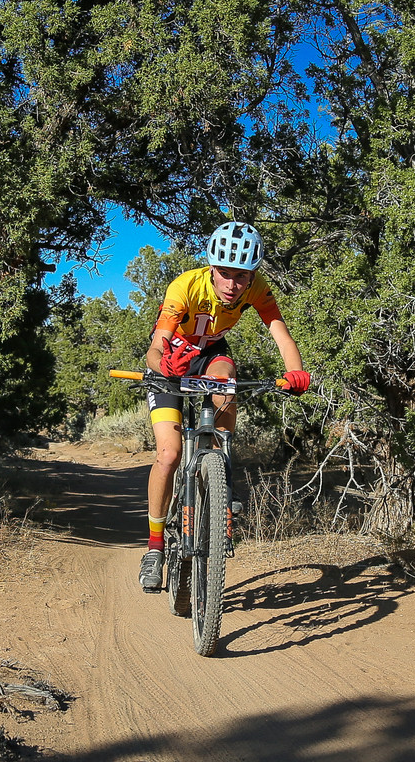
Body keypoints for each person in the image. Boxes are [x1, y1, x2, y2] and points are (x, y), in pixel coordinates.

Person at [137, 221, 309, 591]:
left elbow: (280, 331)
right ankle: (154, 547)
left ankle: (218, 475)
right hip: (172, 358)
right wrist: (163, 365)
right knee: (169, 454)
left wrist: (295, 371)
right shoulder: (185, 286)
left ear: (252, 275)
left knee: (226, 383)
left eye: (241, 276)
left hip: (211, 355)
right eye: (225, 273)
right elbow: (156, 345)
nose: (232, 284)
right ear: (212, 267)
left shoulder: (257, 288)